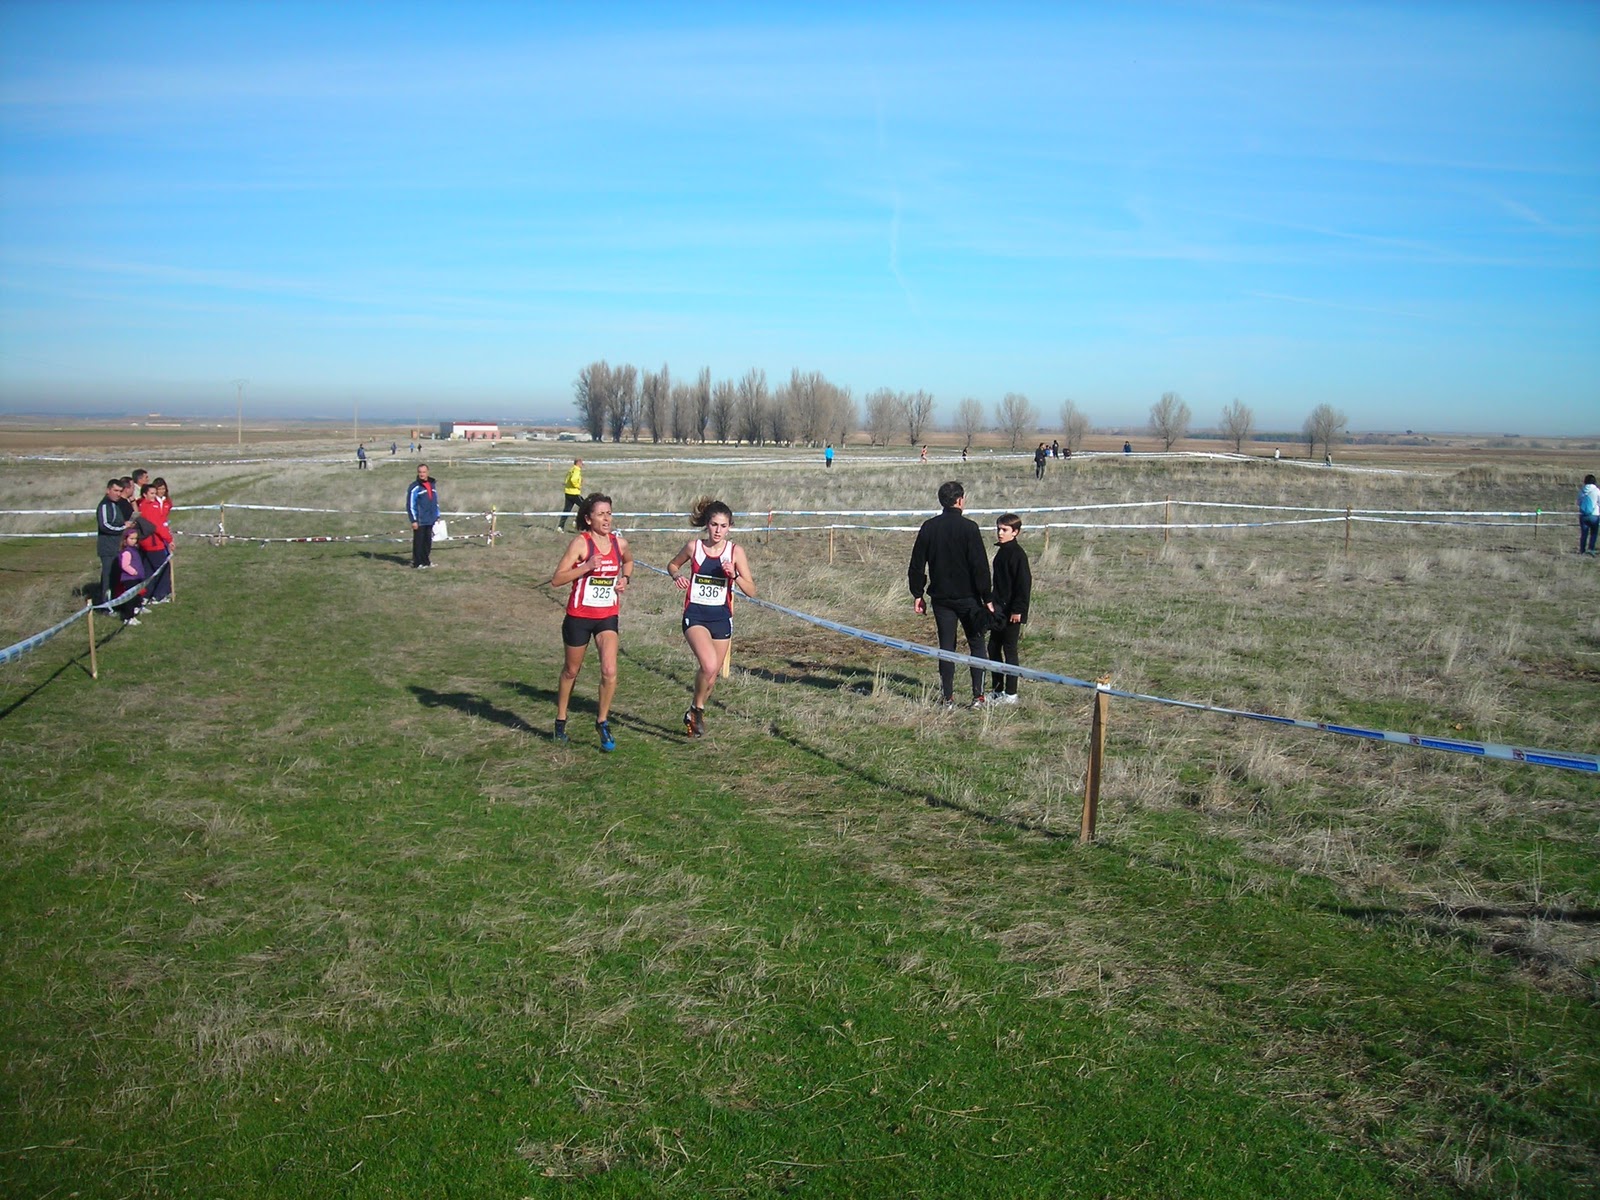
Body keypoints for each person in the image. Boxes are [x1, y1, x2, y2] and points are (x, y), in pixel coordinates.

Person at [667, 497, 757, 738]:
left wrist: (734, 575)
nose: (718, 531)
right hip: (695, 615)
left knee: (712, 675)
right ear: (707, 524)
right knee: (708, 665)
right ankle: (697, 709)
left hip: (721, 618)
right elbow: (673, 565)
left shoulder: (735, 552)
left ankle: (693, 711)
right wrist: (677, 576)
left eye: (723, 526)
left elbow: (751, 590)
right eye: (714, 525)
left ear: (730, 527)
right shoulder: (693, 547)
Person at [551, 493, 633, 751]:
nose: (606, 519)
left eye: (609, 513)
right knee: (571, 671)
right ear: (588, 519)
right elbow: (557, 579)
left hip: (607, 616)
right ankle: (561, 720)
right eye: (600, 514)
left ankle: (602, 721)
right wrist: (586, 567)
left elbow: (629, 561)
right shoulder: (581, 543)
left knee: (609, 670)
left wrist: (625, 579)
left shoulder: (619, 543)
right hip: (579, 617)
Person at [908, 481, 995, 710]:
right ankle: (978, 697)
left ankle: (947, 698)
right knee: (977, 644)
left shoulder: (929, 527)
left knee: (946, 647)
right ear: (960, 500)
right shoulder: (970, 528)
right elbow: (980, 566)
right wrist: (987, 597)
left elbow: (917, 564)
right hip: (969, 598)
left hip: (941, 599)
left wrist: (917, 594)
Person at [986, 514, 1032, 705]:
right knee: (993, 647)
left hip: (1011, 612)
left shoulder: (1017, 555)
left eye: (1004, 530)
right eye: (998, 529)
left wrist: (1018, 610)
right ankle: (997, 691)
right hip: (999, 610)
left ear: (1015, 532)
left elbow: (1023, 585)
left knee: (1009, 649)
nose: (1000, 533)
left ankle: (1011, 693)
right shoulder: (1002, 552)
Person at [137, 478, 174, 604]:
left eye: (155, 493)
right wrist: (169, 539)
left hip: (146, 542)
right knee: (163, 567)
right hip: (154, 542)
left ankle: (147, 594)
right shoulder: (150, 507)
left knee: (149, 569)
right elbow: (157, 525)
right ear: (145, 494)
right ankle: (160, 595)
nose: (154, 496)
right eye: (152, 493)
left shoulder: (142, 505)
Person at [95, 479, 129, 606]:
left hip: (117, 546)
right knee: (107, 578)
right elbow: (105, 526)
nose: (118, 494)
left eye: (120, 491)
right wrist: (123, 528)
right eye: (115, 491)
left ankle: (115, 603)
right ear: (108, 490)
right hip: (108, 547)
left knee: (115, 577)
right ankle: (105, 605)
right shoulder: (105, 505)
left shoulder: (115, 504)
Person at [407, 464, 440, 568]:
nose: (422, 474)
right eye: (420, 472)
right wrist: (414, 520)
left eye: (424, 472)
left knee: (427, 541)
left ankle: (426, 561)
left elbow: (435, 501)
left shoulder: (432, 485)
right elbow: (410, 505)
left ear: (428, 472)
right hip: (420, 520)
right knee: (419, 542)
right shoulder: (415, 487)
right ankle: (417, 563)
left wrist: (437, 515)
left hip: (430, 519)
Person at [114, 526, 146, 625]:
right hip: (130, 578)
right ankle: (128, 617)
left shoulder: (134, 550)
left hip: (136, 578)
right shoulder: (127, 552)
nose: (134, 541)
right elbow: (125, 565)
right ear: (125, 539)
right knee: (130, 598)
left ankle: (135, 609)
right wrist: (133, 572)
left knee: (136, 596)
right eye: (131, 538)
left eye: (135, 538)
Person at [558, 458, 584, 530]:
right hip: (574, 493)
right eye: (582, 464)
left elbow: (567, 480)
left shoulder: (571, 470)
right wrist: (578, 486)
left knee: (566, 510)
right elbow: (573, 480)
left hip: (568, 492)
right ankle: (576, 521)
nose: (582, 465)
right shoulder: (577, 470)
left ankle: (560, 526)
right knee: (585, 506)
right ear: (578, 463)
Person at [1579, 474, 1600, 555]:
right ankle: (1591, 549)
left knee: (1584, 533)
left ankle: (1582, 550)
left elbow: (1578, 502)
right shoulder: (1597, 491)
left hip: (1583, 515)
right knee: (1593, 533)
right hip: (1594, 515)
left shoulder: (1582, 490)